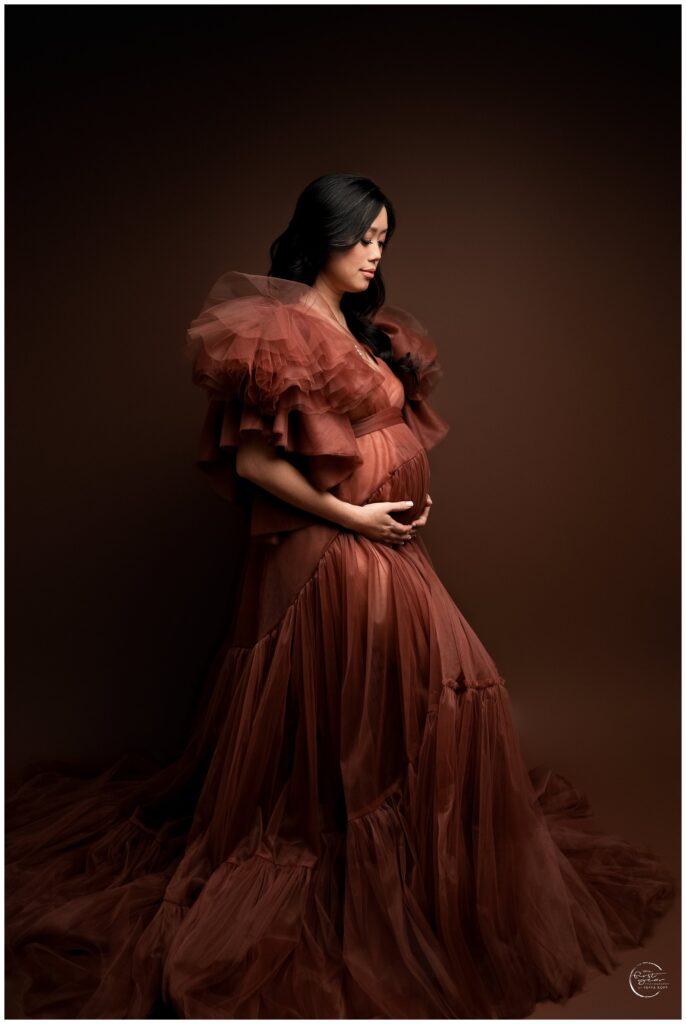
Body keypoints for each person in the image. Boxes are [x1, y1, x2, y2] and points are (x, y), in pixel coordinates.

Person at [5, 173, 677, 1019]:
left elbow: (381, 430)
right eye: (364, 239)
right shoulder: (276, 329)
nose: (374, 256)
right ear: (322, 235)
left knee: (432, 694)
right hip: (325, 550)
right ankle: (353, 871)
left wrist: (393, 501)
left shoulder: (362, 328)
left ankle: (411, 874)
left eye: (383, 242)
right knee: (379, 699)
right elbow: (254, 466)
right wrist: (353, 512)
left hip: (376, 538)